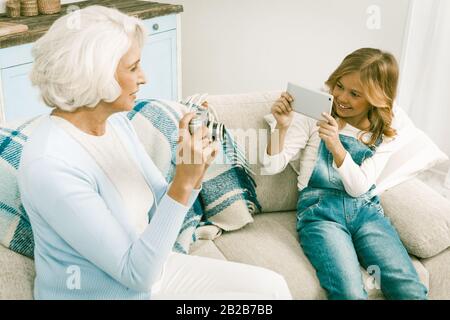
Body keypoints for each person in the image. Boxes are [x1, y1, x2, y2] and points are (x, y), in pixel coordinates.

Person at [18, 5, 292, 300]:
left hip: (150, 270)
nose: (144, 77)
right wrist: (183, 182)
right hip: (114, 290)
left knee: (271, 290)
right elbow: (136, 274)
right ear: (96, 75)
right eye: (133, 67)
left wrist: (193, 169)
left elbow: (163, 208)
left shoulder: (117, 123)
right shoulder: (51, 165)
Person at [261, 48, 428, 300]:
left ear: (375, 98)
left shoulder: (388, 127)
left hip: (366, 211)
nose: (341, 98)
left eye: (355, 94)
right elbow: (271, 166)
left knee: (409, 288)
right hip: (320, 213)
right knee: (349, 293)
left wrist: (336, 146)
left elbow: (359, 188)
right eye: (339, 86)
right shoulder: (315, 113)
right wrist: (282, 128)